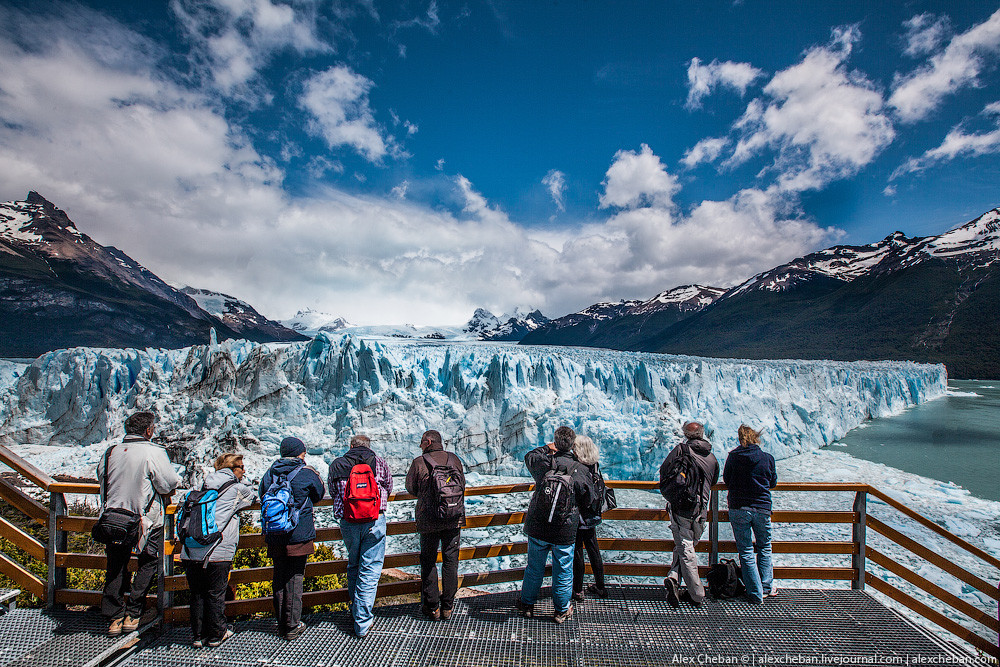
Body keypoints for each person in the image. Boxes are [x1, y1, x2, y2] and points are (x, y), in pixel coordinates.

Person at [98, 411, 181, 636]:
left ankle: (114, 616)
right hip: (144, 520)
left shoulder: (110, 452)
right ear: (148, 431)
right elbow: (168, 483)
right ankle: (133, 614)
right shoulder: (152, 451)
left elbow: (102, 481)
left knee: (115, 565)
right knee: (148, 562)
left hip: (113, 518)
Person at [516, 425, 594, 623]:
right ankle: (561, 610)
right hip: (564, 529)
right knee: (564, 569)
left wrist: (546, 448)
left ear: (556, 443)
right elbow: (590, 498)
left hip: (538, 526)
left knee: (534, 567)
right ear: (573, 445)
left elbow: (529, 456)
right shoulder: (581, 470)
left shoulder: (544, 463)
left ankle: (527, 605)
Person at [180, 453, 257, 647]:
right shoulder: (237, 488)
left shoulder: (201, 486)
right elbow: (255, 498)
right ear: (232, 469)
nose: (244, 470)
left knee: (197, 593)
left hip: (191, 549)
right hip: (217, 549)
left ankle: (198, 636)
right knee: (215, 593)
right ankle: (216, 634)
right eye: (241, 466)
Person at [327, 434, 393, 637]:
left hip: (348, 521)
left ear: (351, 446)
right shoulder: (379, 462)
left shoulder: (337, 464)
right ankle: (362, 621)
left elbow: (333, 492)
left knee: (353, 564)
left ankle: (356, 611)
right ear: (369, 446)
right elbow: (388, 488)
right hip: (374, 520)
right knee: (370, 569)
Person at [259, 437, 325, 641]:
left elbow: (262, 494)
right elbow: (319, 494)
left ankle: (281, 623)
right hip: (298, 534)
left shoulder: (269, 473)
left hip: (275, 533)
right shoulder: (306, 473)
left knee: (279, 577)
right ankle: (292, 625)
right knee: (295, 578)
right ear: (299, 453)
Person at [405, 430, 466, 621]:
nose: (420, 446)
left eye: (421, 442)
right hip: (453, 518)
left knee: (429, 561)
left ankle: (432, 607)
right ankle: (448, 606)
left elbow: (410, 487)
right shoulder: (454, 459)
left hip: (429, 519)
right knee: (450, 560)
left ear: (428, 442)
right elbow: (462, 484)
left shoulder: (419, 462)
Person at [658, 421, 719, 608]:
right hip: (701, 510)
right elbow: (715, 479)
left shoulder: (681, 450)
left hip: (682, 507)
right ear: (702, 434)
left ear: (686, 434)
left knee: (685, 548)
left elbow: (664, 471)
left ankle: (696, 594)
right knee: (686, 545)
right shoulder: (711, 457)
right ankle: (674, 579)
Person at [723, 424, 778, 604]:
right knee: (764, 547)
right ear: (756, 438)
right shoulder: (767, 458)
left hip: (739, 508)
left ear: (740, 439)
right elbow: (772, 482)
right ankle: (766, 587)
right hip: (762, 508)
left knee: (746, 550)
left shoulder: (733, 457)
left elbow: (727, 480)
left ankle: (755, 593)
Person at [572, 434, 607, 601]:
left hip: (579, 515)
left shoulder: (578, 467)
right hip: (592, 513)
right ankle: (601, 586)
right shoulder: (595, 465)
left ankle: (577, 590)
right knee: (593, 549)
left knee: (578, 551)